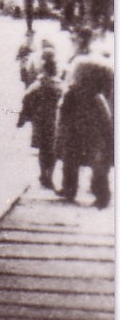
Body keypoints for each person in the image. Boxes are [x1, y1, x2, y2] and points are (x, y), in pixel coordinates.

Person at [56, 28, 113, 208]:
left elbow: (63, 111)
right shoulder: (99, 100)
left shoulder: (73, 92)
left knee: (70, 159)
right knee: (97, 162)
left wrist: (61, 129)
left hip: (74, 129)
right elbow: (107, 120)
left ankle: (69, 189)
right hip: (93, 131)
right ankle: (101, 194)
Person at [18, 64, 65, 190]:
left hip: (39, 122)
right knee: (52, 150)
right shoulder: (60, 86)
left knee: (43, 150)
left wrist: (22, 119)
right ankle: (48, 175)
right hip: (55, 122)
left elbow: (26, 101)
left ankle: (43, 173)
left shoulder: (37, 86)